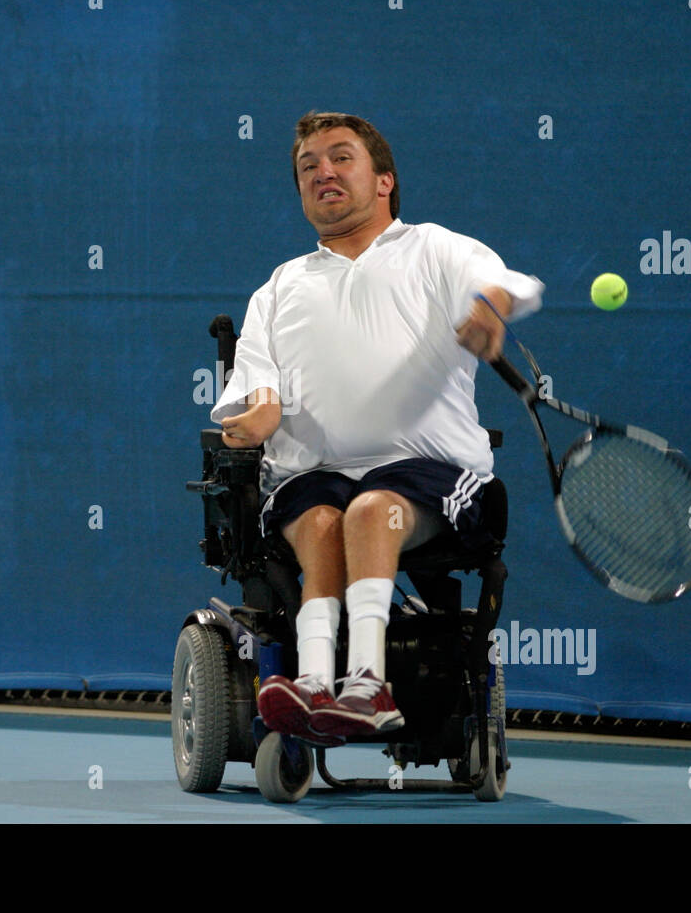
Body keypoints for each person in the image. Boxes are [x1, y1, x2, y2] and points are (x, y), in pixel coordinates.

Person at [210, 112, 543, 742]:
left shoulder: (435, 248)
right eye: (308, 166)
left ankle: (367, 683)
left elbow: (502, 285)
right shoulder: (279, 288)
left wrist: (488, 311)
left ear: (384, 179)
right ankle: (312, 686)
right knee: (317, 520)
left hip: (431, 476)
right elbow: (260, 393)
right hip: (314, 476)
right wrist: (253, 420)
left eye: (341, 158)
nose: (323, 173)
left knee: (368, 511)